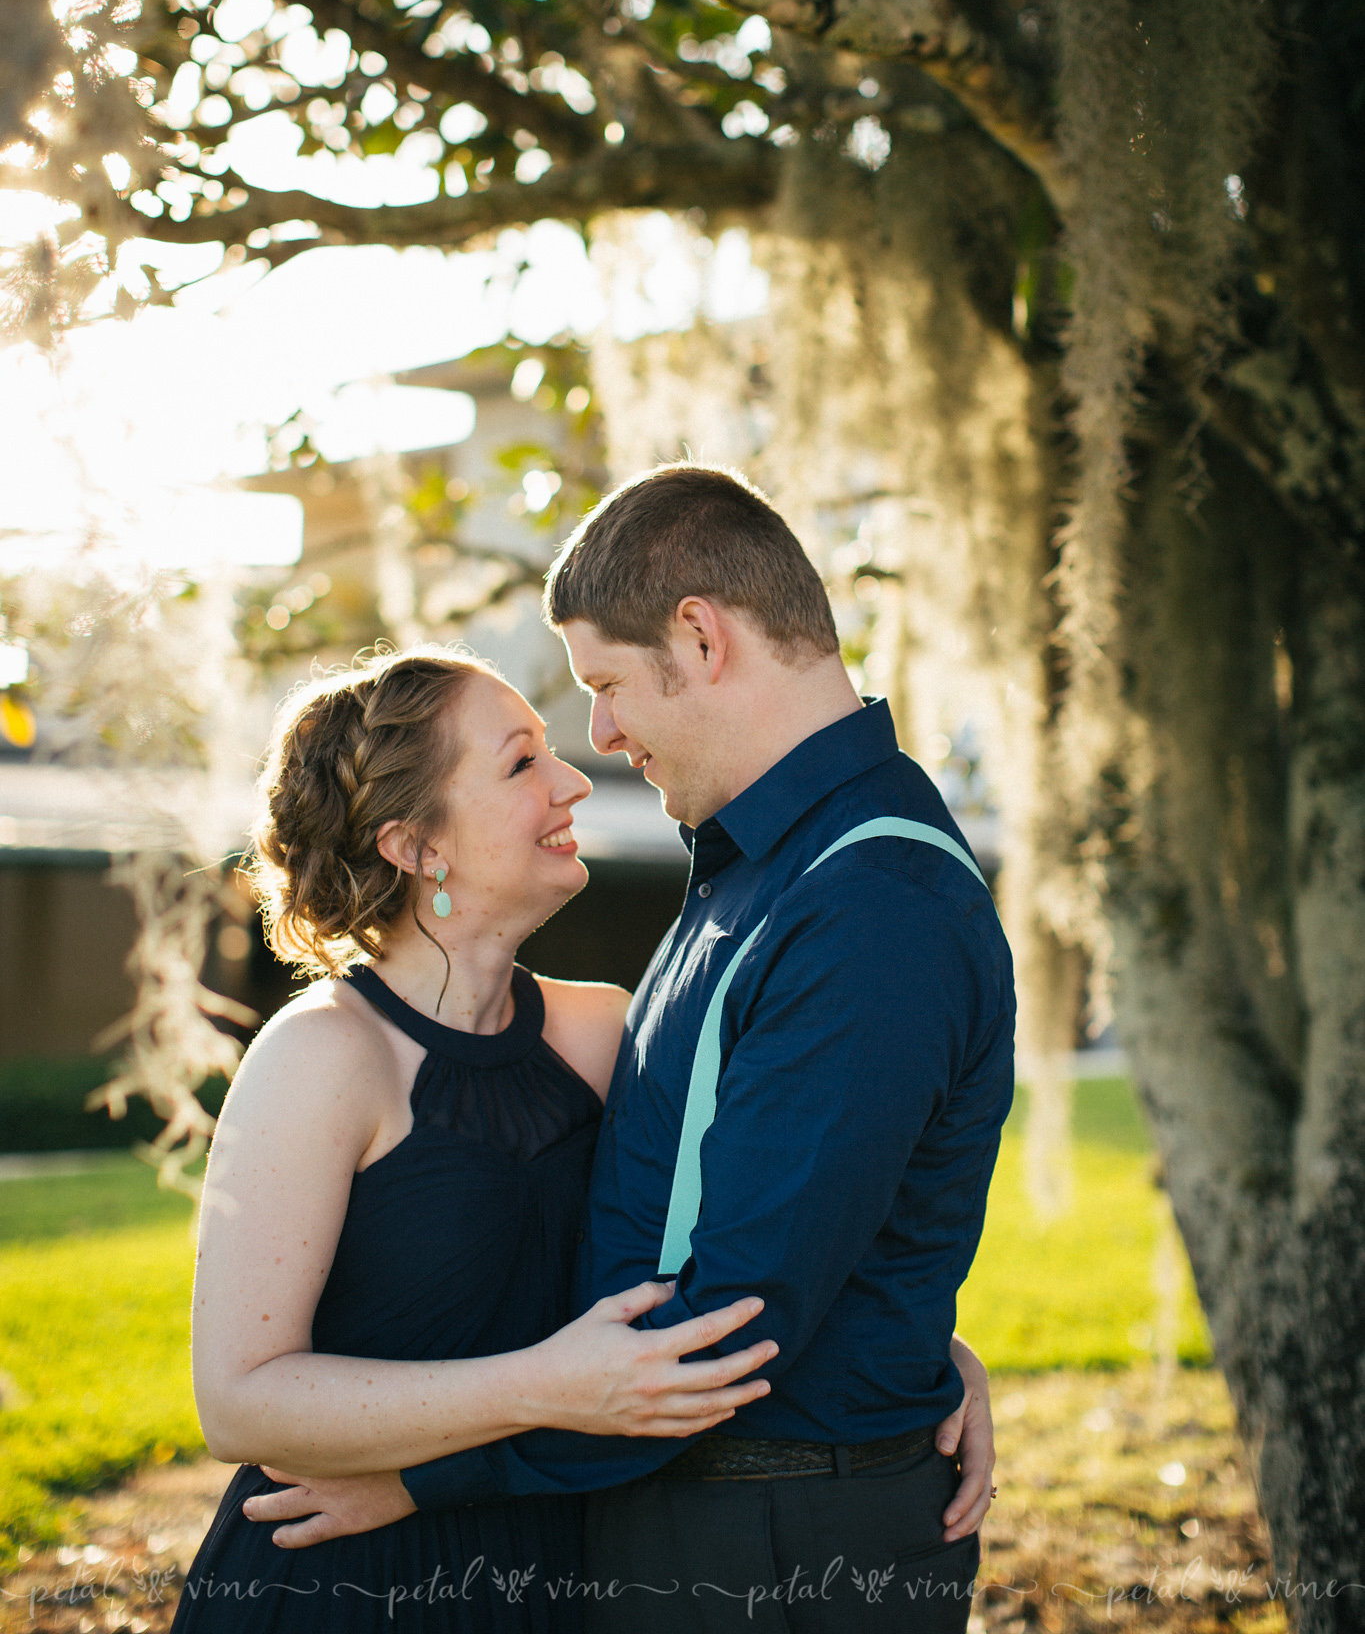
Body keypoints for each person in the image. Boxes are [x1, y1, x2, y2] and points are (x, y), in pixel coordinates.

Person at [243, 467, 1013, 1633]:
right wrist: (907, 1330)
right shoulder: (756, 870)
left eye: (601, 684)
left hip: (773, 1542)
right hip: (659, 1517)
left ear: (699, 637)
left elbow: (731, 1319)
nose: (594, 741)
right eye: (528, 750)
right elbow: (720, 1212)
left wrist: (422, 1478)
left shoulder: (867, 902)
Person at [171, 645, 782, 1632]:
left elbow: (753, 1234)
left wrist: (922, 1349)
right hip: (341, 1579)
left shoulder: (601, 1032)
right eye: (520, 762)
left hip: (562, 1568)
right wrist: (548, 1385)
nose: (577, 778)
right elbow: (239, 1401)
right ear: (415, 843)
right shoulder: (323, 1055)